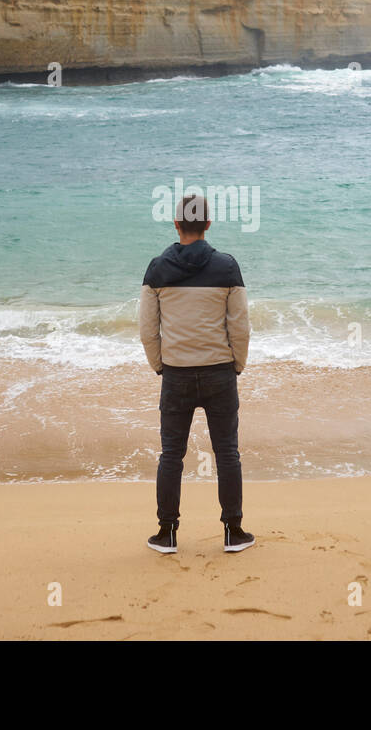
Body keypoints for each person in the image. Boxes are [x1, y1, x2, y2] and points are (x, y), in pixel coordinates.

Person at [139, 193, 254, 554]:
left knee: (171, 455)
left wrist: (160, 364)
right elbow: (240, 327)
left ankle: (167, 533)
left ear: (176, 224)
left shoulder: (157, 268)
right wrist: (238, 363)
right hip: (220, 373)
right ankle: (233, 533)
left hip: (177, 375)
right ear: (207, 224)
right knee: (227, 453)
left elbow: (147, 328)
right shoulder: (227, 267)